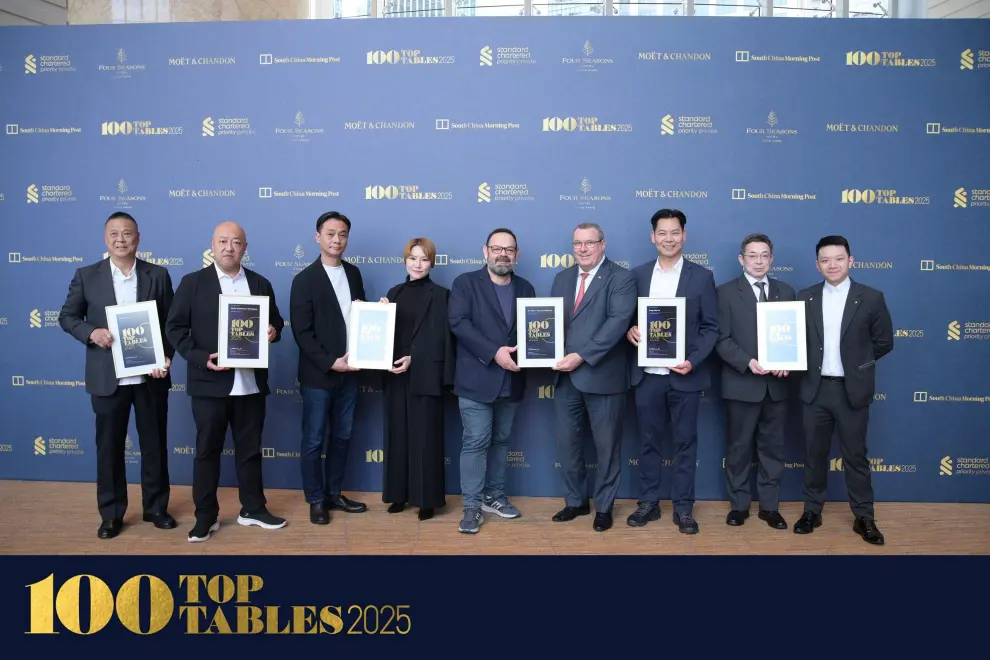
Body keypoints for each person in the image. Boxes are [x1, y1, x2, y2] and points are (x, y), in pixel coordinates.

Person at [165, 221, 287, 542]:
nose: (229, 247)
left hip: (250, 385)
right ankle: (206, 516)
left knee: (250, 451)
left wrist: (274, 331)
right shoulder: (192, 283)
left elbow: (275, 321)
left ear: (245, 247)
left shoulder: (260, 283)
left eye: (236, 242)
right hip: (210, 384)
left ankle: (253, 509)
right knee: (207, 452)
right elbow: (175, 329)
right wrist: (200, 356)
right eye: (223, 241)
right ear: (212, 245)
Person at [58, 211, 176, 539]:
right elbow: (67, 316)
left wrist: (166, 355)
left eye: (127, 234)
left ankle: (156, 508)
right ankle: (111, 513)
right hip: (107, 377)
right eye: (114, 234)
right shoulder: (86, 275)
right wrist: (90, 332)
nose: (121, 239)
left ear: (138, 238)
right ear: (105, 238)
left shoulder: (158, 274)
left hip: (150, 377)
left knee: (154, 445)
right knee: (109, 448)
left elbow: (171, 324)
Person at [794, 235, 893, 545]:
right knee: (814, 455)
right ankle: (812, 511)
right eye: (825, 260)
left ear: (851, 261)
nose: (832, 264)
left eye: (839, 258)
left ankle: (864, 517)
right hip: (815, 390)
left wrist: (857, 364)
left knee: (856, 457)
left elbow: (884, 342)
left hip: (852, 391)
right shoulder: (804, 297)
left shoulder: (872, 297)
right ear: (817, 265)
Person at [625, 209, 718, 534]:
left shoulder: (702, 276)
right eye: (662, 233)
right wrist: (630, 332)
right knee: (648, 442)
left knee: (685, 444)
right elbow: (625, 319)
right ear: (653, 237)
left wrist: (692, 359)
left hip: (685, 375)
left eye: (674, 232)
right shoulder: (636, 275)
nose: (668, 238)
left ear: (684, 236)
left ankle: (683, 508)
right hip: (648, 375)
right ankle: (648, 503)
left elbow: (710, 328)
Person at [549, 222, 637, 532]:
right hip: (565, 379)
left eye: (589, 243)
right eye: (577, 243)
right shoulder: (561, 278)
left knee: (607, 447)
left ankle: (604, 506)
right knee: (567, 445)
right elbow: (553, 324)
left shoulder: (621, 278)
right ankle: (575, 501)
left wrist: (581, 356)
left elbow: (617, 322)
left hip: (603, 376)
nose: (583, 249)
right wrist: (540, 347)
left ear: (602, 244)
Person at [447, 228, 536, 534]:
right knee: (475, 442)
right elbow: (459, 323)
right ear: (485, 251)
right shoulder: (465, 283)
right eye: (497, 248)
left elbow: (533, 331)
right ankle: (471, 506)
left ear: (517, 255)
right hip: (476, 379)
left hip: (512, 378)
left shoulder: (526, 288)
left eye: (509, 249)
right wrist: (494, 352)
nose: (503, 254)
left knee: (500, 442)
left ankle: (494, 496)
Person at [289, 211, 368, 525]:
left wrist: (381, 315)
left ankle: (334, 493)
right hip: (318, 375)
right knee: (313, 439)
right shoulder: (304, 279)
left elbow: (361, 318)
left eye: (343, 234)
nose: (337, 240)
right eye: (331, 233)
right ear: (317, 237)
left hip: (351, 372)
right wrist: (329, 362)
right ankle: (316, 499)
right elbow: (302, 332)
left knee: (342, 436)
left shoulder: (354, 274)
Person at [715, 233, 795, 530]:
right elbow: (720, 339)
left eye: (764, 255)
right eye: (752, 255)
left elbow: (794, 337)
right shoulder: (724, 293)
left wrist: (788, 363)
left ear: (772, 259)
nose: (759, 260)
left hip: (777, 387)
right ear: (742, 259)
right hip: (741, 383)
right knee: (738, 449)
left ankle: (769, 507)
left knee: (772, 449)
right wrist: (747, 362)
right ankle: (739, 506)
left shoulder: (786, 292)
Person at [376, 238, 455, 521]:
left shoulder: (442, 294)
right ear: (405, 260)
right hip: (396, 375)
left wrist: (414, 358)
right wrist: (378, 314)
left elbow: (442, 341)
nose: (418, 264)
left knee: (426, 440)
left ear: (432, 263)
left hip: (427, 375)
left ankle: (427, 500)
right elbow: (383, 336)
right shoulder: (393, 293)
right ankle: (398, 496)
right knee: (397, 436)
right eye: (413, 258)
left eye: (423, 259)